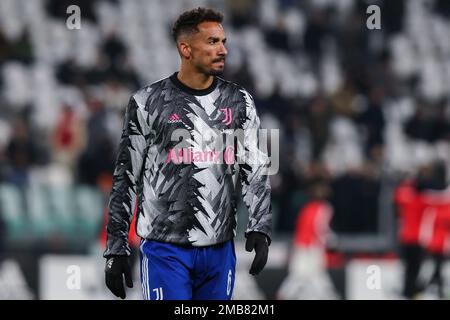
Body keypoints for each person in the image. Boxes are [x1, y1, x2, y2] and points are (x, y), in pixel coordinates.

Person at [103, 7, 272, 300]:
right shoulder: (147, 103)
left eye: (224, 41)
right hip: (165, 250)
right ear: (186, 49)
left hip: (219, 251)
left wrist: (260, 226)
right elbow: (126, 178)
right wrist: (116, 246)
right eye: (213, 42)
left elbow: (255, 167)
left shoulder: (239, 101)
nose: (223, 50)